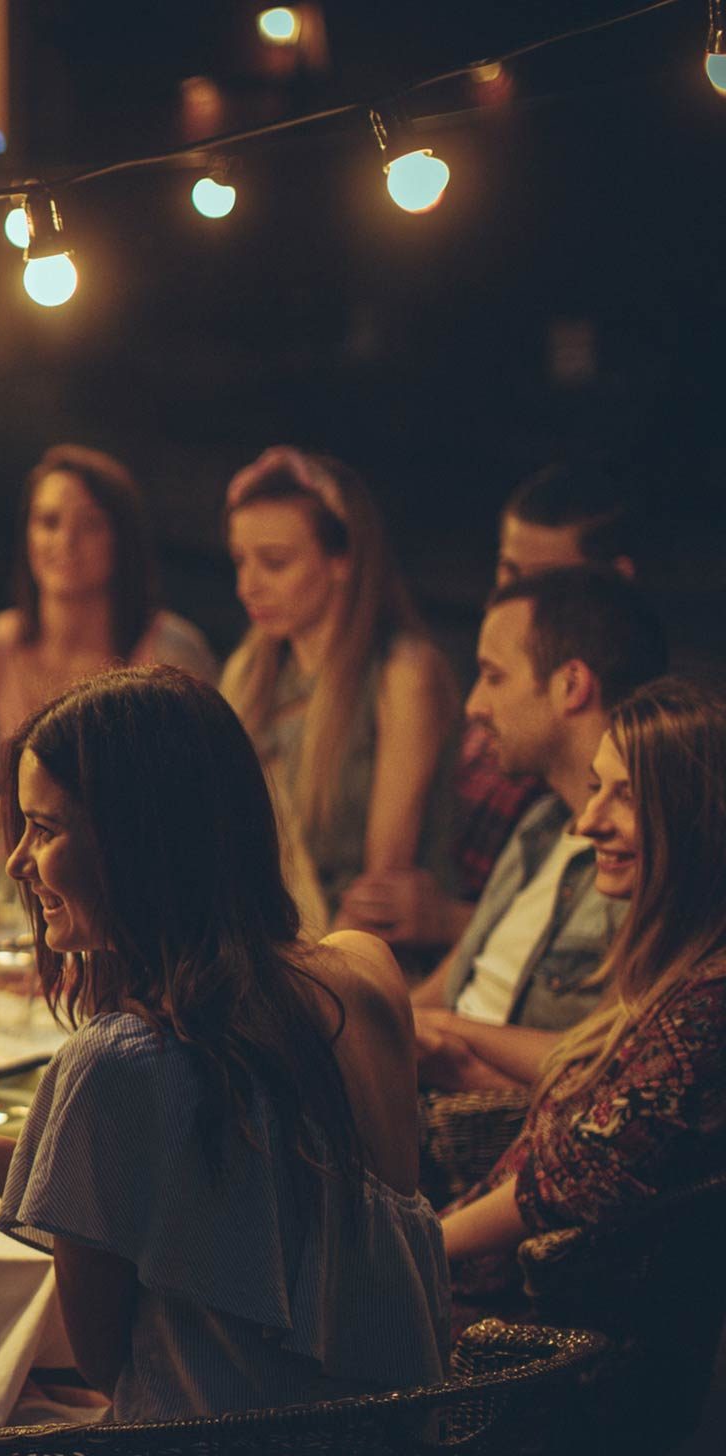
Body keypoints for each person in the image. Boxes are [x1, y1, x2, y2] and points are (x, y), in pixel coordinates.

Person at [0, 666, 451, 1456]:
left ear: (137, 842)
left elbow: (108, 1360)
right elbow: (280, 1193)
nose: (15, 864)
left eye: (43, 831)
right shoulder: (363, 978)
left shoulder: (116, 1064)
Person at [441, 678, 726, 1298]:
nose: (588, 822)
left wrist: (416, 1253)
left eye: (625, 796)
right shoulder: (668, 971)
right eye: (597, 788)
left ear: (694, 816)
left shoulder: (710, 1006)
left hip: (524, 1341)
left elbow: (576, 1178)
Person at [343, 460, 645, 945]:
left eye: (541, 581)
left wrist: (449, 920)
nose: (509, 595)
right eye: (507, 571)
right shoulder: (508, 716)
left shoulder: (630, 759)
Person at [408, 568, 667, 1077]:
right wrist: (378, 1019)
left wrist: (449, 1050)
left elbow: (604, 1074)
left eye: (494, 675)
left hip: (491, 1121)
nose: (474, 705)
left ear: (570, 685)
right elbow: (454, 979)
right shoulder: (541, 823)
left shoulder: (642, 854)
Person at [220, 446, 459, 933]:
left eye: (275, 562)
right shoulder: (250, 672)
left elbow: (379, 890)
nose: (248, 585)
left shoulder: (401, 675)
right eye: (240, 562)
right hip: (267, 944)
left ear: (342, 560)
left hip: (360, 957)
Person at [0, 445, 215, 832]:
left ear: (122, 539)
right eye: (49, 522)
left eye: (91, 525)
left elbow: (204, 800)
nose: (66, 541)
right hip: (13, 878)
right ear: (28, 535)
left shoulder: (171, 650)